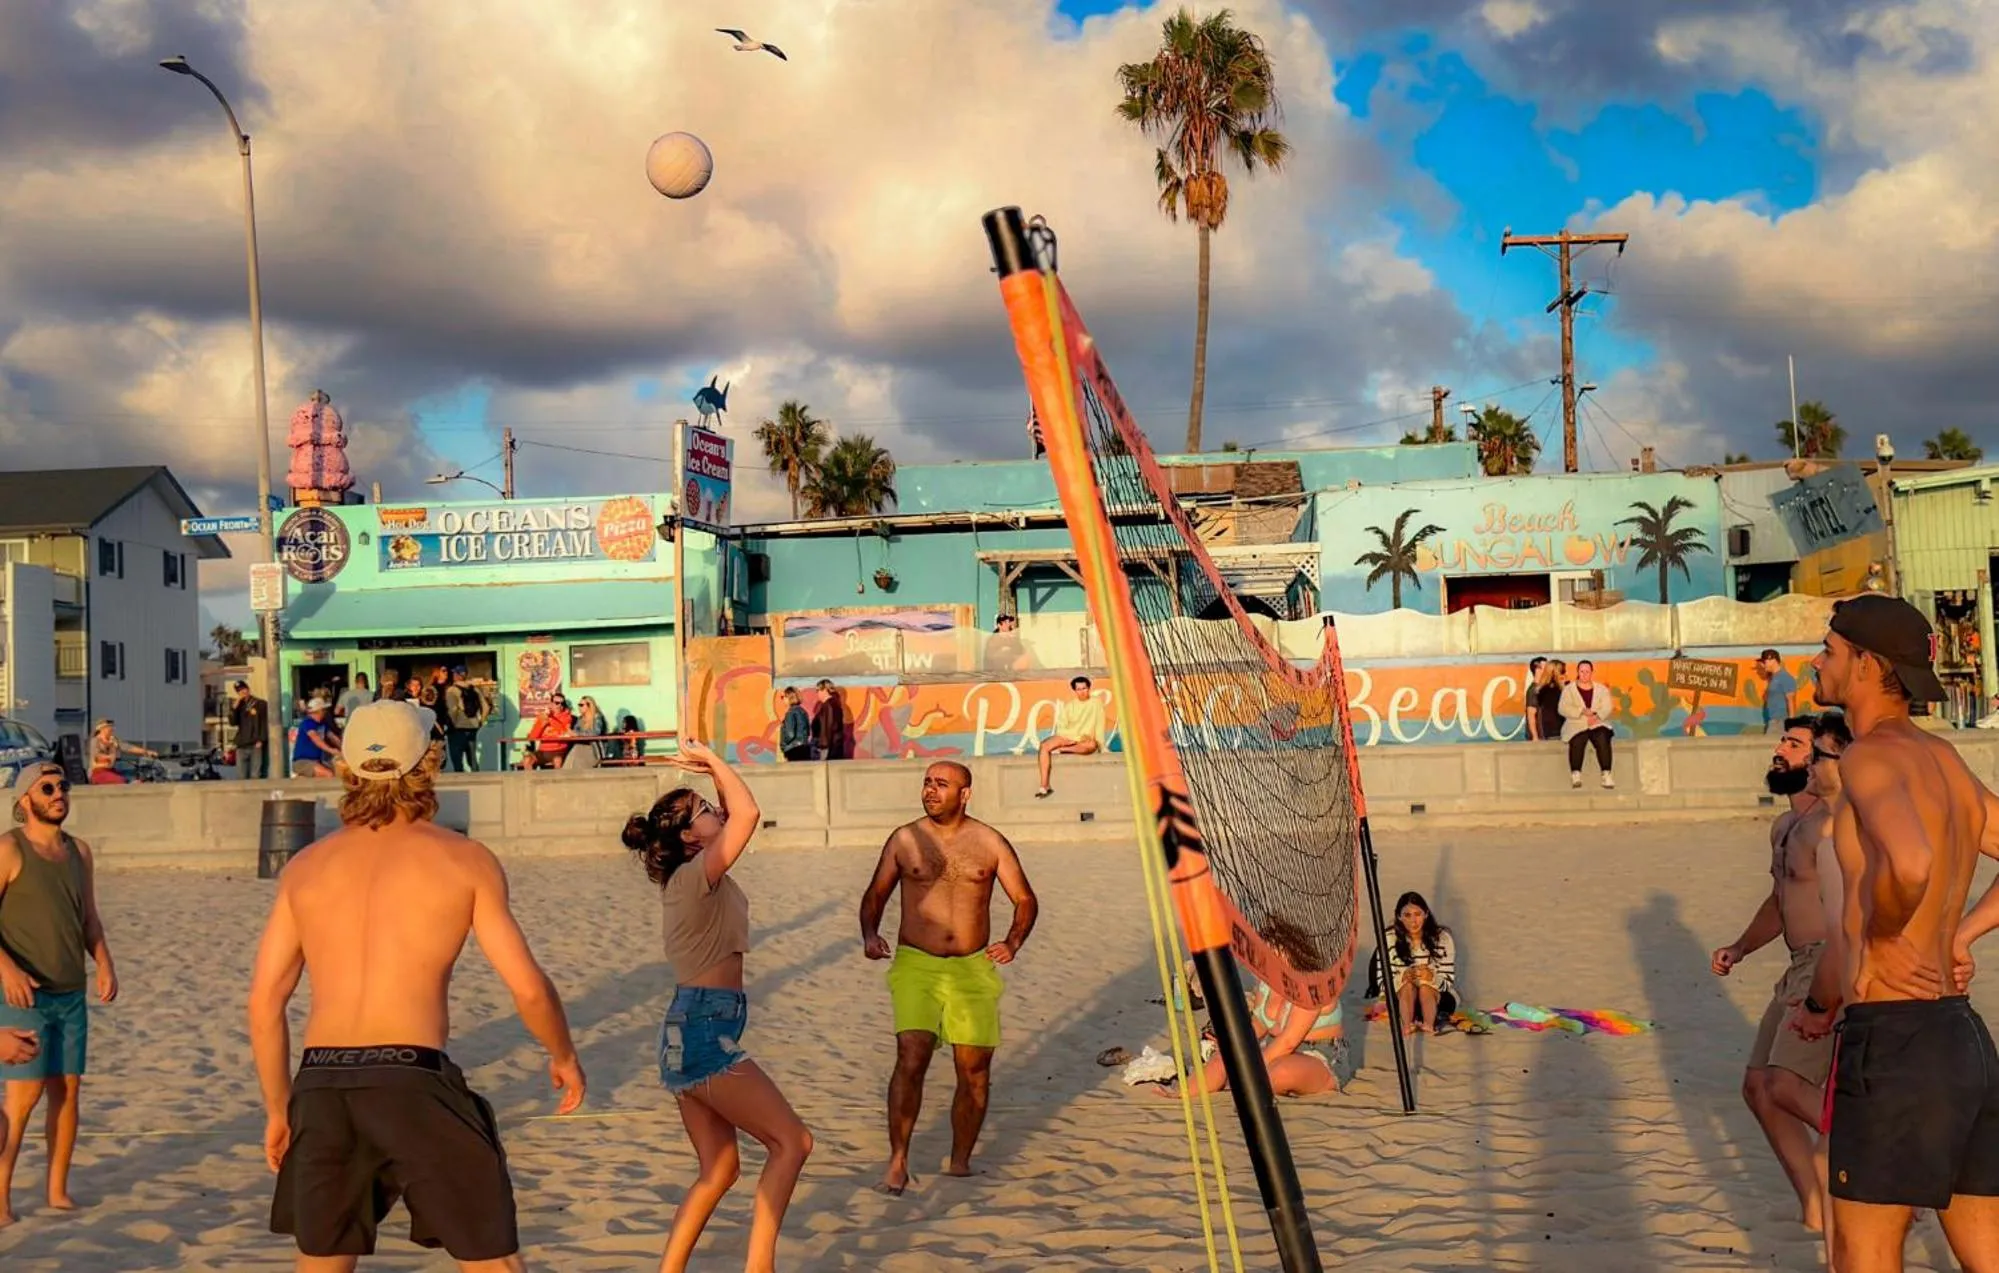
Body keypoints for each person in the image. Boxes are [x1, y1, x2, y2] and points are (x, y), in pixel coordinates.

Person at [248, 699, 585, 1270]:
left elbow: (263, 1004)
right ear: (431, 762)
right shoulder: (464, 859)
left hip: (322, 1082)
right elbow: (527, 987)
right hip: (410, 1076)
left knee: (323, 1261)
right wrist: (563, 1054)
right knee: (490, 1259)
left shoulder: (305, 867)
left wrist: (280, 1110)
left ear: (348, 769)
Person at [1786, 594, 1999, 1272]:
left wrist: (1881, 935)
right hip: (1960, 1041)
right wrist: (1958, 934)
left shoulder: (1869, 759)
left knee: (1861, 1256)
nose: (1816, 662)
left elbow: (1908, 864)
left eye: (1828, 651)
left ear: (1867, 666)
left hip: (1895, 1044)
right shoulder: (1943, 761)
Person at [624, 740, 813, 1273]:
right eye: (703, 811)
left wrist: (715, 785)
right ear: (688, 837)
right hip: (704, 1028)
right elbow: (749, 812)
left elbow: (739, 813)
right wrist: (711, 761)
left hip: (695, 1026)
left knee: (719, 1168)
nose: (715, 811)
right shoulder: (693, 878)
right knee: (792, 1143)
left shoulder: (703, 875)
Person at [859, 761, 1038, 1194]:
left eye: (942, 784)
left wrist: (1013, 942)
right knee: (912, 1053)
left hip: (972, 966)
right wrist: (869, 933)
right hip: (916, 964)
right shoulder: (905, 839)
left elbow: (1025, 899)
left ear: (965, 793)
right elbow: (876, 893)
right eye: (926, 783)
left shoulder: (989, 841)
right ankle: (898, 1159)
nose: (930, 791)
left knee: (974, 1069)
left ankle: (960, 1160)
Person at [1709, 715, 1838, 1237]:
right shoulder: (1784, 826)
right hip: (1796, 966)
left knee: (1785, 1084)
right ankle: (1815, 1206)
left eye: (1793, 744)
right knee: (1757, 1088)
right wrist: (1741, 946)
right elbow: (1780, 899)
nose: (1779, 750)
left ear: (1818, 760)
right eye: (1781, 741)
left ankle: (1872, 1156)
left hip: (1829, 962)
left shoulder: (1832, 824)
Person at [0, 761, 116, 1228]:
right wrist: (6, 969)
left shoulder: (79, 852)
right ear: (25, 799)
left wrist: (104, 961)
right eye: (47, 787)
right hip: (24, 993)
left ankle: (57, 1190)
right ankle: (1, 1197)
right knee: (23, 1097)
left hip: (70, 991)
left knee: (67, 1090)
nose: (58, 794)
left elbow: (88, 917)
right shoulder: (9, 850)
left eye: (63, 786)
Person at [1383, 892, 1458, 1035]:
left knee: (1425, 988)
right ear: (1399, 916)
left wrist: (1431, 977)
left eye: (1418, 914)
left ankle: (1429, 1025)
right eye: (1407, 915)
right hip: (1403, 998)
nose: (1413, 921)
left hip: (1438, 998)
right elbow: (1383, 982)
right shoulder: (1389, 939)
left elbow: (1448, 981)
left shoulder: (1442, 938)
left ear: (1426, 914)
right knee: (1408, 988)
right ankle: (1406, 1026)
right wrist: (1402, 978)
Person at [1034, 676, 1105, 798]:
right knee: (1045, 746)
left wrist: (1102, 746)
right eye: (1079, 689)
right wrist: (1069, 739)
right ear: (1075, 691)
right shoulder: (1070, 706)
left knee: (1092, 745)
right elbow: (1061, 727)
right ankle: (1044, 786)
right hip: (1069, 737)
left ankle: (1062, 750)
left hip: (1084, 740)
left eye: (1084, 688)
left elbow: (1099, 724)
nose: (1082, 691)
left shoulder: (1096, 703)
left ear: (1089, 688)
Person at [1558, 659, 1616, 789]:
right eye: (1582, 671)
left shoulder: (1601, 689)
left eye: (1587, 672)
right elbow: (1562, 708)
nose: (1584, 674)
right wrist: (1581, 712)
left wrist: (1596, 716)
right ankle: (1576, 773)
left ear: (1591, 673)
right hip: (1576, 724)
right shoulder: (1569, 690)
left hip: (1597, 723)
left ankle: (1606, 773)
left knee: (1602, 736)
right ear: (1578, 672)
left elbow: (1607, 707)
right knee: (1578, 739)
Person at [442, 666, 486, 773]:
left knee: (457, 761)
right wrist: (480, 721)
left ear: (457, 676)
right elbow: (486, 707)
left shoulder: (452, 690)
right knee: (472, 759)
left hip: (458, 729)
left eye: (454, 674)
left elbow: (453, 710)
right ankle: (478, 781)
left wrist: (452, 724)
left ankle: (461, 783)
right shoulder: (474, 689)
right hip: (473, 728)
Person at [86, 718, 155, 784]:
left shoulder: (113, 739)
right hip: (97, 772)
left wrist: (146, 752)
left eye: (111, 727)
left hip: (110, 770)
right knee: (120, 781)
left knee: (125, 779)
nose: (111, 729)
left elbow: (127, 747)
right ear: (102, 729)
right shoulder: (95, 741)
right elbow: (97, 756)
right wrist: (111, 755)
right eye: (108, 727)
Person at [517, 695, 574, 770]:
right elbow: (533, 736)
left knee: (557, 760)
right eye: (557, 703)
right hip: (543, 750)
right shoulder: (543, 716)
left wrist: (550, 718)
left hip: (558, 750)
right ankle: (531, 781)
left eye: (562, 703)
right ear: (551, 704)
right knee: (527, 760)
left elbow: (563, 731)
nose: (560, 705)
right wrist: (542, 723)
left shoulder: (567, 716)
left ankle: (557, 781)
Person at [232, 680, 270, 780]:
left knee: (255, 775)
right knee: (241, 776)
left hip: (255, 744)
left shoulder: (260, 704)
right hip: (241, 744)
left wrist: (262, 739)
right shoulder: (239, 706)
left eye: (243, 689)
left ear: (248, 689)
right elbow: (233, 722)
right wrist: (234, 708)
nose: (242, 692)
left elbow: (266, 723)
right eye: (239, 691)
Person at [291, 699, 339, 779]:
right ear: (318, 711)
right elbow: (315, 738)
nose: (325, 712)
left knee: (336, 772)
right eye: (323, 710)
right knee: (328, 775)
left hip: (316, 761)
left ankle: (302, 779)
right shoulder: (308, 723)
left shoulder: (322, 724)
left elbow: (332, 737)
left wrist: (344, 748)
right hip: (302, 761)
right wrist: (331, 750)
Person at [1759, 649, 1799, 735]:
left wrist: (1791, 724)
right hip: (1774, 721)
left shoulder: (1785, 677)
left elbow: (1791, 700)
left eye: (1763, 662)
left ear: (1772, 660)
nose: (1762, 665)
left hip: (1781, 722)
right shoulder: (1774, 678)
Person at [811, 680, 848, 762]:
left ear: (824, 690)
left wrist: (823, 746)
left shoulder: (828, 705)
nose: (817, 693)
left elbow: (827, 727)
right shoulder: (834, 703)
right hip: (833, 745)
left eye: (818, 690)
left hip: (828, 747)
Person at [778, 688, 812, 763]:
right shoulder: (803, 711)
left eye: (783, 697)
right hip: (804, 748)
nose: (782, 699)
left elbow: (790, 734)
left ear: (789, 697)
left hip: (793, 749)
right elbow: (808, 732)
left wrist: (783, 745)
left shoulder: (790, 713)